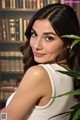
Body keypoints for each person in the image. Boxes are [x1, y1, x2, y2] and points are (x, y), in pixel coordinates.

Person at [0, 3, 80, 120]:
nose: (37, 45)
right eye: (34, 34)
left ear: (67, 42)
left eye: (49, 38)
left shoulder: (39, 74)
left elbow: (6, 117)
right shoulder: (73, 74)